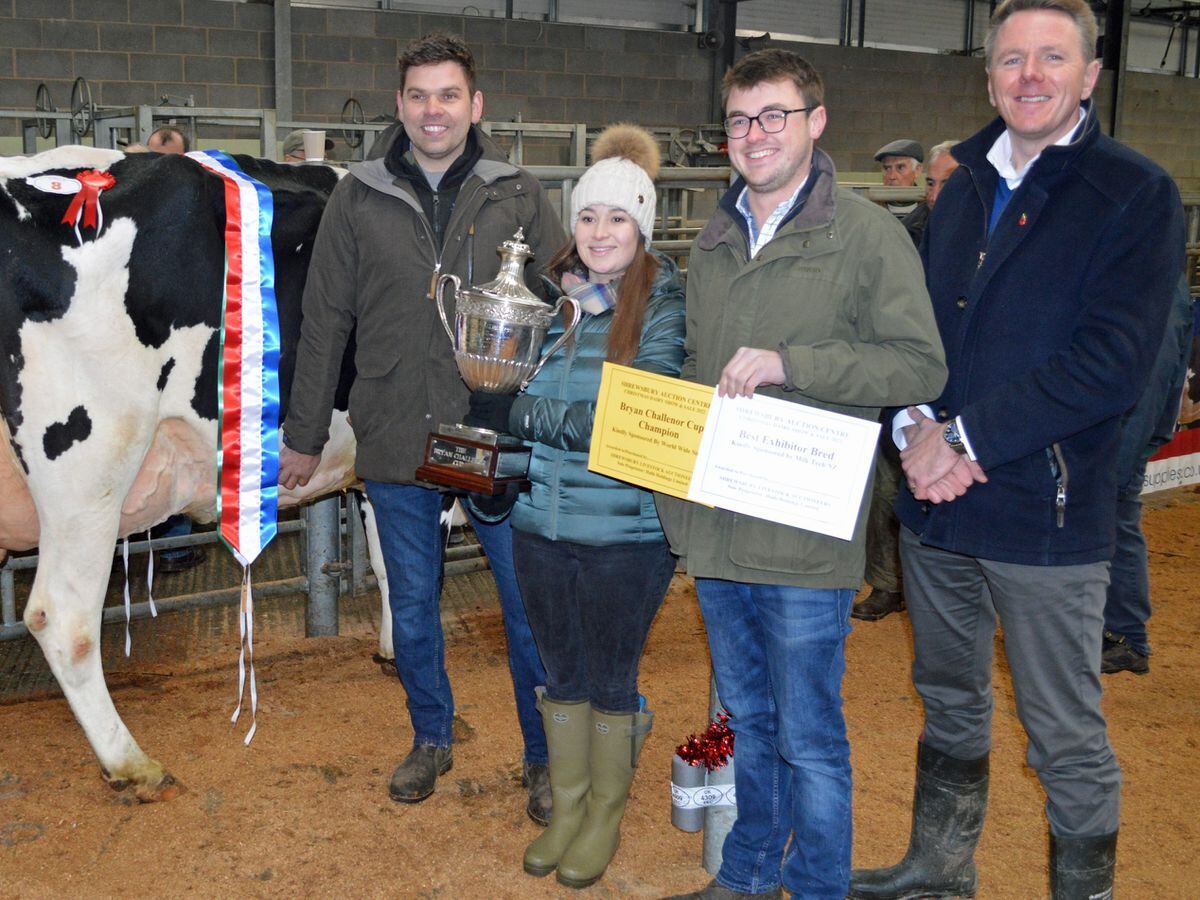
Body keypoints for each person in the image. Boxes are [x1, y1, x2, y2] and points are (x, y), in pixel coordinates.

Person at [849, 2, 1185, 898]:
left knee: (1063, 729)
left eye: (1051, 57)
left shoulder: (1135, 193)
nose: (1029, 75)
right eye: (1011, 59)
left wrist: (960, 438)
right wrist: (914, 425)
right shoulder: (957, 191)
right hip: (938, 512)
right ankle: (939, 866)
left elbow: (1110, 366)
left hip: (1048, 512)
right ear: (989, 75)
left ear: (1089, 74)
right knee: (949, 696)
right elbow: (916, 333)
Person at [657, 49, 947, 900]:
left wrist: (794, 363)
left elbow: (917, 367)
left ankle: (816, 886)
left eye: (774, 116)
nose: (755, 135)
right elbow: (701, 374)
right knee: (749, 721)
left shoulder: (866, 237)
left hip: (806, 530)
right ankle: (746, 875)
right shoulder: (711, 244)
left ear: (816, 123)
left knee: (810, 735)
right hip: (722, 526)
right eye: (741, 120)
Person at [278, 32, 562, 823]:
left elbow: (557, 312)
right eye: (417, 96)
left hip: (494, 431)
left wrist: (560, 424)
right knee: (412, 599)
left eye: (447, 95)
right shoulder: (358, 196)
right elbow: (323, 319)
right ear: (399, 107)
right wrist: (304, 434)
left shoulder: (518, 194)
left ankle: (543, 755)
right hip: (397, 426)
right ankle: (431, 736)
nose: (432, 110)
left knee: (524, 603)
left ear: (475, 105)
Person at [467, 124, 685, 890]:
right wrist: (486, 452)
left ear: (641, 228)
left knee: (610, 676)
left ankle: (604, 816)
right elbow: (509, 391)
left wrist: (516, 420)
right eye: (589, 217)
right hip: (540, 524)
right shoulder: (549, 303)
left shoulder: (660, 304)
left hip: (627, 533)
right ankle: (567, 807)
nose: (599, 232)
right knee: (558, 673)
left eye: (618, 219)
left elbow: (636, 418)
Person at [855, 140, 961, 622]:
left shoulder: (961, 233)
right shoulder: (907, 229)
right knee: (886, 479)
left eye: (903, 168)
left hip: (946, 374)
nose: (895, 176)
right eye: (933, 182)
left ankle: (914, 581)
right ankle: (889, 579)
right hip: (903, 368)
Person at [1102, 275, 1193, 674]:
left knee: (1117, 521)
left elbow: (1156, 373)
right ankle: (1117, 629)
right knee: (1118, 521)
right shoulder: (1154, 273)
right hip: (1123, 429)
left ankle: (1127, 636)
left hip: (1124, 432)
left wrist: (1120, 459)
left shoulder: (1154, 278)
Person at [874, 138, 924, 219]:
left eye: (900, 168)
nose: (892, 176)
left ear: (917, 170)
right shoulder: (871, 209)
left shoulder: (931, 210)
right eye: (887, 168)